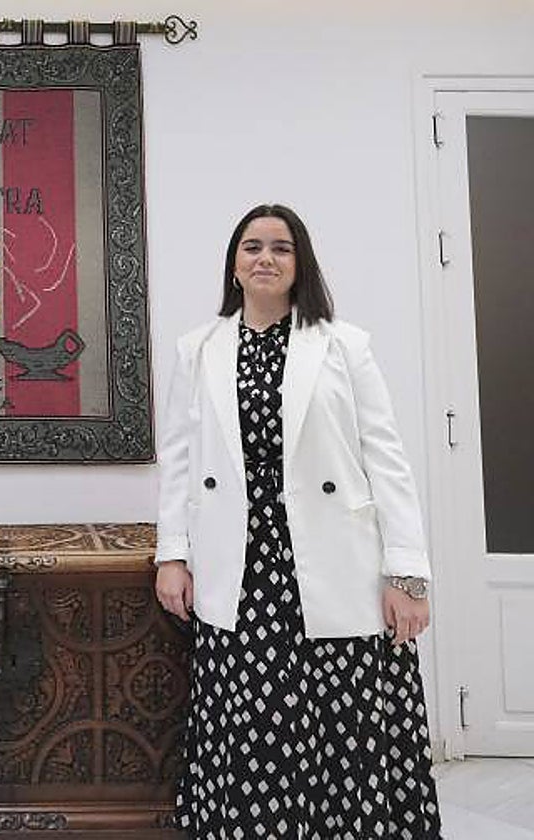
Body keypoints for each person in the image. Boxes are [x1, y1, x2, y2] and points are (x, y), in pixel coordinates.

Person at [154, 204, 442, 838]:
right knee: (257, 716)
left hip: (336, 557)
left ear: (299, 263)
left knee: (344, 712)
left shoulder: (344, 345)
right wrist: (172, 554)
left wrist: (409, 575)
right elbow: (177, 458)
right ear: (234, 264)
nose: (266, 258)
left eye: (281, 248)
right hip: (242, 561)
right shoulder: (197, 350)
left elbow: (387, 461)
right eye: (252, 246)